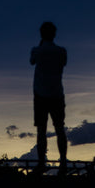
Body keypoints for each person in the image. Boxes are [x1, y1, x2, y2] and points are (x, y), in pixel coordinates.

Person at [30, 21, 67, 175]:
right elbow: (63, 64)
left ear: (41, 34)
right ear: (54, 34)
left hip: (40, 95)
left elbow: (32, 61)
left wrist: (40, 45)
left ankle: (41, 163)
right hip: (57, 94)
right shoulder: (61, 51)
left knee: (41, 130)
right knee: (59, 129)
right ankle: (63, 161)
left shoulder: (37, 50)